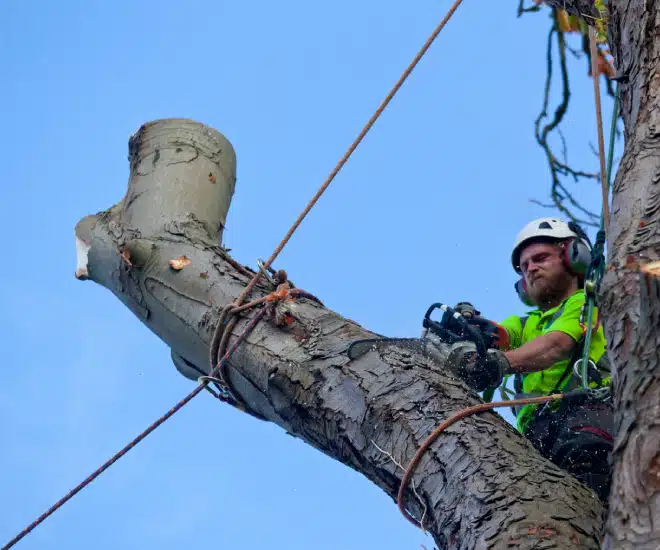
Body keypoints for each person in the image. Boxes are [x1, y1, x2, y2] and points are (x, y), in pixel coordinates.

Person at [450, 217, 613, 501]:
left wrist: (502, 363)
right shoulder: (525, 323)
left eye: (540, 258)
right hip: (535, 434)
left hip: (586, 415)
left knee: (590, 493)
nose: (531, 269)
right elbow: (501, 335)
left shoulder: (587, 302)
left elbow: (556, 344)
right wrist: (471, 332)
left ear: (573, 257)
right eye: (524, 267)